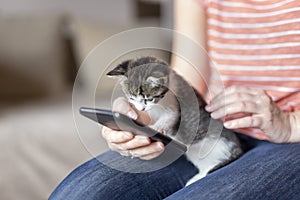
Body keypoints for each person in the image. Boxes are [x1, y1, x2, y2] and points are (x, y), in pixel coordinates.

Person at [50, 0, 300, 199]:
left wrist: (288, 124)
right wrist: (139, 119)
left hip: (291, 141)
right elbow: (183, 85)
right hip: (207, 128)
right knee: (80, 193)